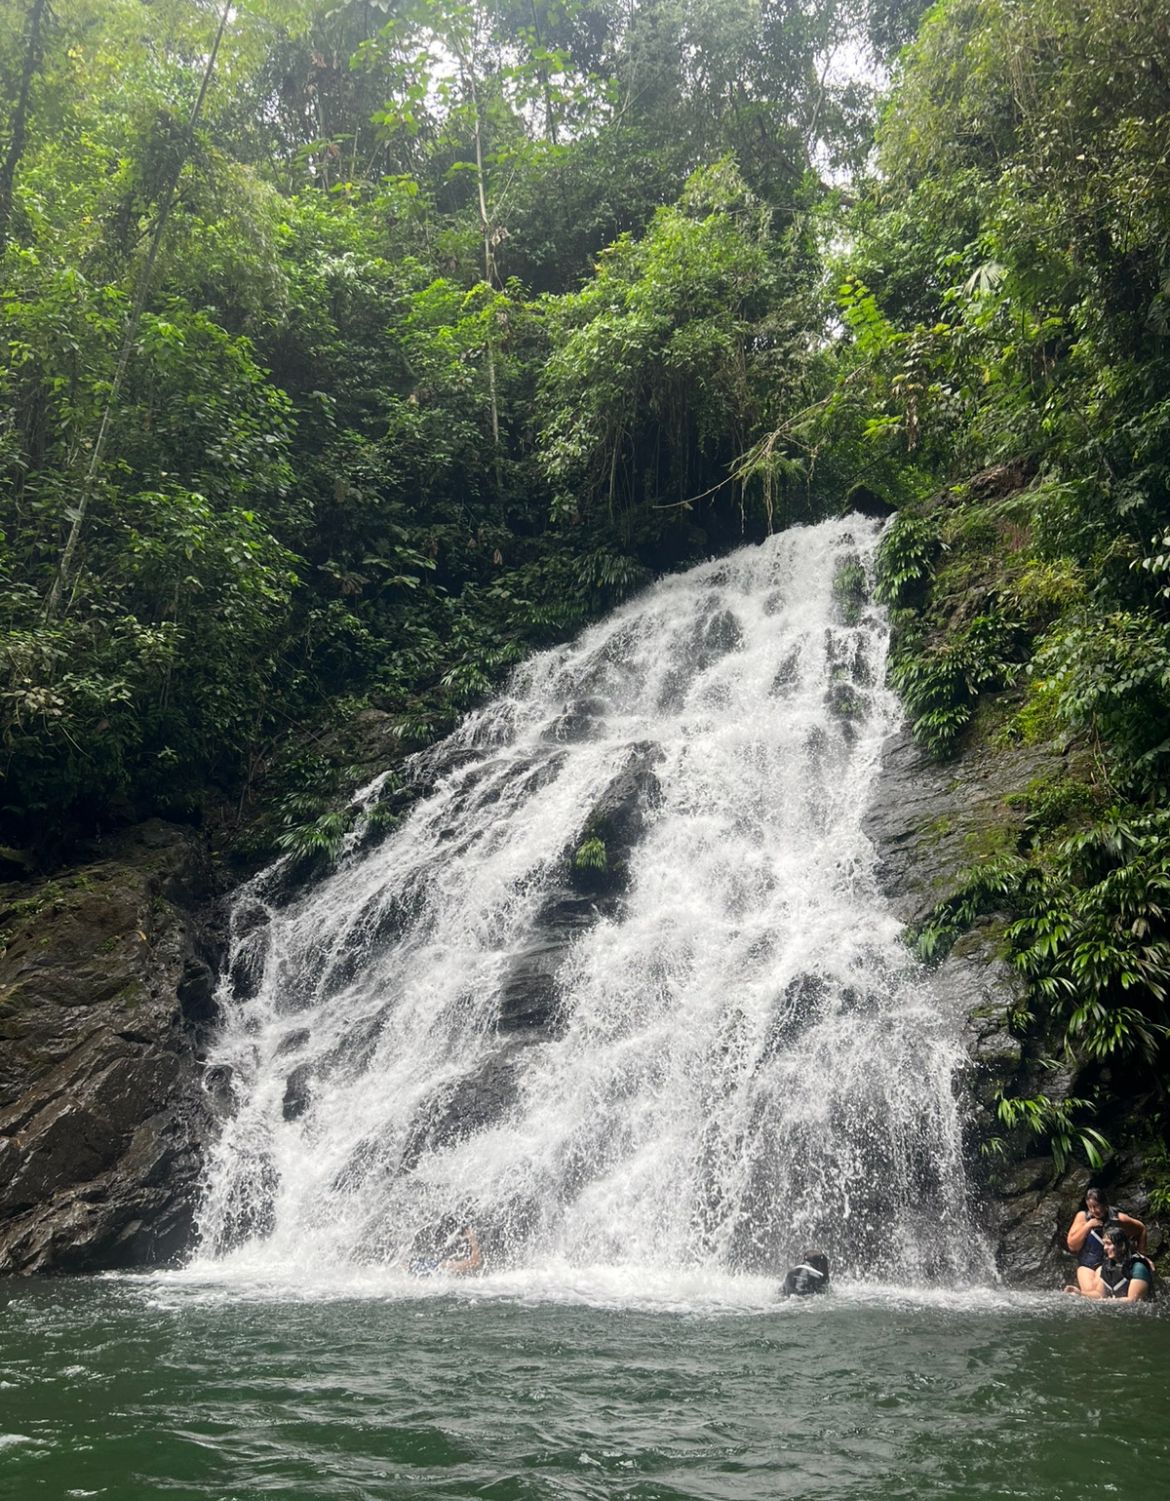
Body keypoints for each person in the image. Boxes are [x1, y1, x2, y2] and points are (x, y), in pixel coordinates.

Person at [1064, 1186, 1146, 1295]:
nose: (1093, 1211)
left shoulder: (1119, 1219)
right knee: (1087, 1293)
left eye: (1096, 1206)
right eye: (1090, 1207)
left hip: (1105, 1263)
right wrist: (1087, 1226)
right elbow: (1072, 1246)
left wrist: (1141, 1256)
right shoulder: (1082, 1217)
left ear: (1105, 1204)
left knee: (1097, 1293)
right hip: (1086, 1263)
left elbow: (1141, 1228)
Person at [1094, 1227, 1154, 1302]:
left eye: (1109, 1244)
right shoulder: (1107, 1266)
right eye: (1104, 1244)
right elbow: (1100, 1295)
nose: (1105, 1248)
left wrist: (1105, 1302)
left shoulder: (1138, 1268)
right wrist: (1079, 1293)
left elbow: (1133, 1301)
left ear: (1121, 1246)